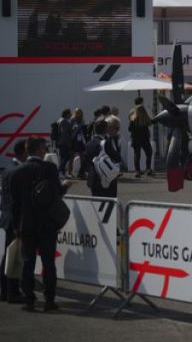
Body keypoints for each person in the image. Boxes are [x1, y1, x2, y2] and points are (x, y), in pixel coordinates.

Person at [9, 137, 72, 311]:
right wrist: (65, 186)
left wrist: (16, 226)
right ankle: (49, 300)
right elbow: (56, 192)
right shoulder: (49, 169)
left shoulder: (16, 172)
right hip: (47, 224)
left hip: (26, 224)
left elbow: (14, 204)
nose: (45, 151)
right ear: (38, 150)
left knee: (27, 263)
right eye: (44, 148)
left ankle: (29, 299)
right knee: (48, 263)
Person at [1, 139, 30, 303]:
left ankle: (5, 290)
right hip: (15, 220)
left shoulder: (9, 169)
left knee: (7, 256)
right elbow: (17, 201)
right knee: (14, 257)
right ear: (24, 152)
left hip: (7, 218)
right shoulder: (18, 171)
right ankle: (12, 292)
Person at [83, 119, 121, 198]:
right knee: (109, 204)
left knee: (97, 204)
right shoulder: (104, 142)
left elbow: (85, 160)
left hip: (93, 178)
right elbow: (117, 157)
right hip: (105, 177)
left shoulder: (88, 144)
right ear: (105, 129)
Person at [128, 97, 155, 177]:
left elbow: (130, 129)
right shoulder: (144, 114)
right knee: (149, 153)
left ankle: (137, 171)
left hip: (135, 138)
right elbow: (150, 123)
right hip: (144, 137)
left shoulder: (132, 114)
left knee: (137, 154)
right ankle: (148, 169)